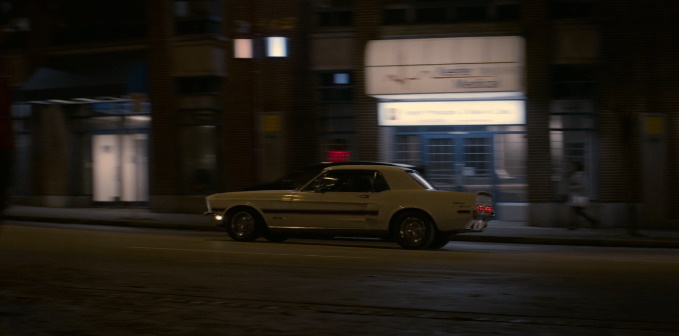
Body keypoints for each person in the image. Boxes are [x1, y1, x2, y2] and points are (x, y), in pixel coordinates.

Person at [567, 162, 598, 230]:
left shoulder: (579, 175)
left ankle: (574, 225)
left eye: (574, 166)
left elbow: (582, 186)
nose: (572, 168)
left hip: (578, 197)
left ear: (577, 167)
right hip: (576, 197)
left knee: (576, 211)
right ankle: (592, 221)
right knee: (578, 212)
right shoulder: (576, 175)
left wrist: (571, 187)